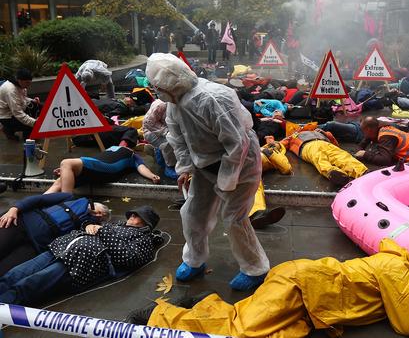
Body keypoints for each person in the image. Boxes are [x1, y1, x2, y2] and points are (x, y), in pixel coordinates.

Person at [128, 238, 409, 338]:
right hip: (300, 285)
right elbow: (408, 325)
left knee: (266, 334)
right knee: (245, 329)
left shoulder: (407, 290)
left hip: (314, 310)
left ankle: (198, 304)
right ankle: (160, 314)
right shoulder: (396, 268)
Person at [146, 53, 270, 290]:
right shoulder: (175, 104)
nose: (156, 91)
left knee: (234, 217)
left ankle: (255, 268)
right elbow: (178, 138)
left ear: (173, 83)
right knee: (192, 213)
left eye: (158, 86)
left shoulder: (214, 98)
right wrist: (184, 168)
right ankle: (194, 260)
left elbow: (237, 143)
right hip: (203, 163)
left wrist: (227, 181)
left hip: (240, 164)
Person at [0, 206, 162, 305]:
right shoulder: (118, 224)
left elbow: (127, 258)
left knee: (30, 284)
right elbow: (91, 227)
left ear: (146, 224)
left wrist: (102, 231)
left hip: (80, 261)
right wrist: (89, 224)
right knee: (16, 273)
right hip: (61, 247)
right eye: (132, 214)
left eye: (136, 216)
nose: (131, 217)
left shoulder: (144, 241)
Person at [0, 193, 110, 276]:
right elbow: (39, 199)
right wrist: (14, 209)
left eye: (102, 217)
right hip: (21, 223)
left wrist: (93, 224)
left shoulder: (87, 228)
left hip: (35, 247)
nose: (99, 215)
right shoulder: (69, 198)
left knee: (6, 270)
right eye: (100, 211)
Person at [44, 132, 160, 194]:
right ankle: (40, 204)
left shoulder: (134, 155)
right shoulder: (112, 147)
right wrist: (66, 172)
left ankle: (66, 201)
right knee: (60, 181)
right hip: (96, 165)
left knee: (66, 163)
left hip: (108, 168)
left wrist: (152, 176)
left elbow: (141, 167)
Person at [271, 125, 368, 187]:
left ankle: (362, 171)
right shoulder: (292, 136)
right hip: (307, 146)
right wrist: (271, 141)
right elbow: (279, 144)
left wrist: (325, 133)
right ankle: (333, 173)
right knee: (318, 157)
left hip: (326, 144)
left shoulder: (319, 131)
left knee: (343, 156)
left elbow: (335, 143)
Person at [143, 99, 177, 179]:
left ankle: (159, 152)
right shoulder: (161, 105)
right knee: (169, 142)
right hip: (151, 131)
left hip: (167, 129)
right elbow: (148, 122)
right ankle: (170, 166)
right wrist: (167, 132)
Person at [0, 68, 37, 140]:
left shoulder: (20, 85)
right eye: (27, 83)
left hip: (12, 110)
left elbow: (22, 98)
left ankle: (9, 130)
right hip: (6, 116)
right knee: (30, 125)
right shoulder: (10, 90)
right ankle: (28, 141)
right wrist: (34, 123)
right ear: (19, 80)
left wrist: (32, 100)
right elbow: (18, 113)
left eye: (30, 82)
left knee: (36, 106)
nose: (28, 85)